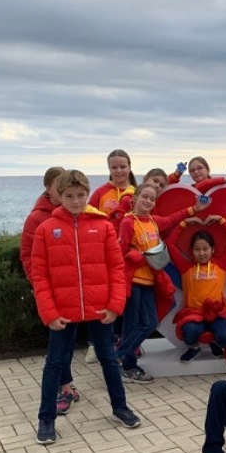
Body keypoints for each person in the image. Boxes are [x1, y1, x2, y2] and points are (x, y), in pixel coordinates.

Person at [29, 169, 141, 444]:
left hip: (99, 308)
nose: (76, 201)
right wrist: (49, 313)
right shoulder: (46, 229)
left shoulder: (103, 226)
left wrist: (115, 306)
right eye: (69, 196)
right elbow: (40, 275)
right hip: (62, 311)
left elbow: (116, 268)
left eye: (81, 195)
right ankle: (46, 419)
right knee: (55, 364)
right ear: (59, 196)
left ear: (88, 194)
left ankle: (120, 407)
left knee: (108, 359)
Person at [115, 183, 206, 382]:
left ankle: (120, 356)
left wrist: (194, 209)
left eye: (152, 198)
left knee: (150, 322)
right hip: (133, 281)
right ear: (135, 199)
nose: (148, 201)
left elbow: (172, 219)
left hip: (150, 280)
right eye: (144, 197)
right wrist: (136, 255)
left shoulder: (153, 221)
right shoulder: (128, 222)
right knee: (131, 325)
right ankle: (127, 365)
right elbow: (119, 252)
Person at [20, 167, 81, 414]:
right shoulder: (38, 218)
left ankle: (66, 384)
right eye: (59, 185)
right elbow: (28, 256)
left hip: (72, 292)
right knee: (58, 344)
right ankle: (63, 388)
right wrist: (40, 288)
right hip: (52, 293)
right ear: (48, 187)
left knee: (68, 341)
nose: (65, 189)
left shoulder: (73, 214)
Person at [166, 214, 226, 363]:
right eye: (197, 249)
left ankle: (215, 342)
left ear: (212, 249)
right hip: (193, 314)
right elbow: (170, 243)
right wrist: (184, 223)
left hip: (216, 314)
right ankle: (194, 348)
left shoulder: (222, 265)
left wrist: (221, 220)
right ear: (191, 251)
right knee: (189, 331)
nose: (201, 253)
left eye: (205, 249)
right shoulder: (186, 268)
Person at [86, 149, 137, 363]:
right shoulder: (100, 193)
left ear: (129, 167)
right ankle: (94, 344)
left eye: (123, 166)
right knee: (101, 298)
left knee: (124, 299)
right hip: (103, 254)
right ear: (108, 168)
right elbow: (88, 219)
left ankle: (123, 344)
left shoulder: (136, 192)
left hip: (128, 255)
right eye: (114, 167)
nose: (119, 171)